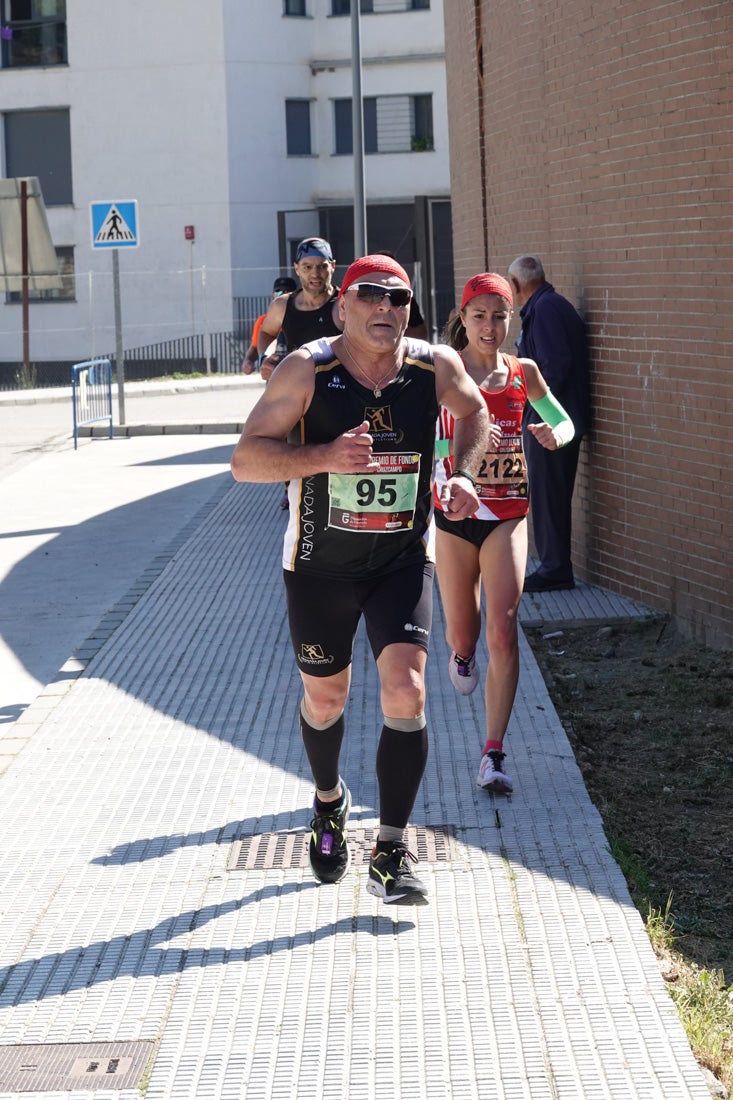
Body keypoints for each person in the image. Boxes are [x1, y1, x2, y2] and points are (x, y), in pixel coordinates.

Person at [231, 254, 489, 902]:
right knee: (327, 700)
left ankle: (391, 852)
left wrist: (461, 473)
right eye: (370, 296)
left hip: (400, 561)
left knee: (406, 693)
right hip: (318, 568)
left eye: (398, 299)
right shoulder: (307, 369)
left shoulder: (434, 367)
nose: (385, 309)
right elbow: (244, 459)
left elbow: (477, 413)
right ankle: (328, 801)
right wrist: (321, 457)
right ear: (342, 305)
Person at [434, 273, 574, 793]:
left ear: (511, 319)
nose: (490, 327)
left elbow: (564, 420)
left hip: (509, 512)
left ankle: (493, 752)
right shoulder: (443, 372)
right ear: (463, 319)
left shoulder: (523, 372)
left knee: (503, 628)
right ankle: (461, 652)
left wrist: (553, 433)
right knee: (463, 634)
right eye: (480, 316)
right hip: (453, 516)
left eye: (501, 316)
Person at [507, 255, 592, 592]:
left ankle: (555, 568)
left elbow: (555, 364)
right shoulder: (549, 306)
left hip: (551, 424)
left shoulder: (545, 310)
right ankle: (553, 565)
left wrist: (538, 409)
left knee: (549, 495)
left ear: (515, 285)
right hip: (553, 420)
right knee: (546, 494)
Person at [256, 237, 342, 364]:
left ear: (332, 266)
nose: (315, 274)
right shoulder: (282, 305)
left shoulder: (345, 304)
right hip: (297, 381)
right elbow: (266, 332)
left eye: (322, 266)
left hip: (338, 382)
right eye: (307, 267)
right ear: (296, 268)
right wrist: (265, 358)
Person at [242, 276, 297, 374]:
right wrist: (248, 362)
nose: (282, 296)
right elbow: (255, 347)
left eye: (287, 292)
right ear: (273, 295)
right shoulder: (263, 321)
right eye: (278, 292)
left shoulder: (303, 318)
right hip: (274, 377)